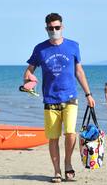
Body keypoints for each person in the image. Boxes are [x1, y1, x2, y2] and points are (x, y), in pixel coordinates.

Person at [23, 13, 95, 183]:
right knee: (53, 138)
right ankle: (56, 171)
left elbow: (79, 71)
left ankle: (68, 163)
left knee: (70, 133)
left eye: (57, 27)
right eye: (50, 28)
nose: (54, 30)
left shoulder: (73, 46)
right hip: (50, 99)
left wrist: (88, 94)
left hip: (70, 97)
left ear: (62, 27)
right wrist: (28, 80)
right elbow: (28, 71)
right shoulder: (40, 49)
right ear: (46, 28)